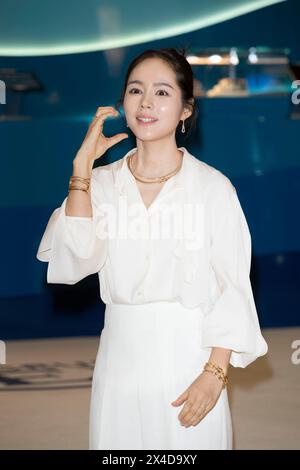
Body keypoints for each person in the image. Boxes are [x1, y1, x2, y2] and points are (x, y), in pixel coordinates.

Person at [36, 47, 268, 450]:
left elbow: (233, 286)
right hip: (119, 364)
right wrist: (81, 172)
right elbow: (73, 261)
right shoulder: (103, 184)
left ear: (184, 110)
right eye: (135, 90)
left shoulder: (212, 188)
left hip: (190, 361)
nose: (146, 102)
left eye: (162, 93)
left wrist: (215, 373)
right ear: (123, 101)